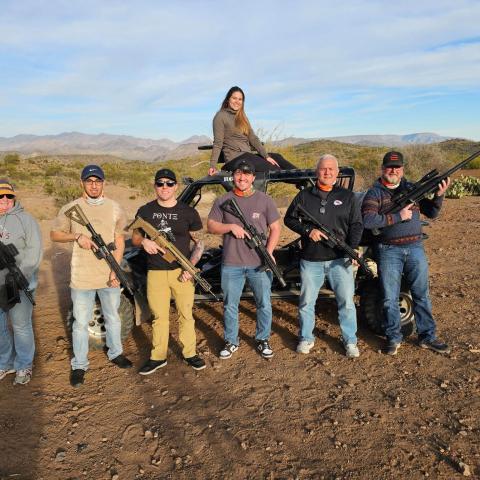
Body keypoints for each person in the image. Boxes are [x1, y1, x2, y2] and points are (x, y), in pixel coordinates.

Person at [361, 151, 451, 355]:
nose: (393, 170)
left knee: (421, 294)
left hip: (415, 248)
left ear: (402, 170)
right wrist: (398, 217)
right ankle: (393, 338)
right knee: (389, 297)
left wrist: (438, 196)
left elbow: (432, 212)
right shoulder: (374, 193)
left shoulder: (412, 189)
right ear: (383, 169)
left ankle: (427, 337)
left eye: (397, 167)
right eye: (389, 167)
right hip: (388, 250)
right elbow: (369, 220)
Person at [50, 165, 132, 387]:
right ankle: (79, 365)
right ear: (82, 183)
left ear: (104, 183)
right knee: (80, 323)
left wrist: (115, 270)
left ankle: (116, 353)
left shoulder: (115, 208)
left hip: (109, 276)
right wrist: (77, 236)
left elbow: (120, 239)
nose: (94, 185)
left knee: (113, 317)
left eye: (98, 181)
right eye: (89, 181)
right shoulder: (71, 208)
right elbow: (55, 234)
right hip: (82, 277)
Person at [284, 154, 363, 358]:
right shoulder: (304, 196)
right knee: (306, 303)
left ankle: (350, 341)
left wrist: (352, 249)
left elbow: (356, 225)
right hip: (311, 260)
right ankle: (306, 338)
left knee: (346, 302)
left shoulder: (348, 197)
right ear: (317, 171)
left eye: (331, 169)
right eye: (323, 168)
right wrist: (307, 231)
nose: (327, 172)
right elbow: (289, 219)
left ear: (337, 173)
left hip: (340, 259)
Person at [131, 168, 206, 374]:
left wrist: (190, 268)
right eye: (160, 183)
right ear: (155, 186)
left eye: (169, 183)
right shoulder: (145, 211)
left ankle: (190, 353)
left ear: (176, 186)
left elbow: (200, 242)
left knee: (186, 315)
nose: (165, 187)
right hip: (155, 272)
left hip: (181, 272)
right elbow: (135, 237)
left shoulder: (188, 212)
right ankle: (158, 357)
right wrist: (144, 241)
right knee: (159, 317)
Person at [207, 159, 281, 359]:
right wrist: (230, 227)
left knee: (264, 303)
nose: (242, 178)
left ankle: (262, 338)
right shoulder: (222, 200)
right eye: (239, 173)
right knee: (231, 304)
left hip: (259, 263)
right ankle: (231, 341)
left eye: (247, 174)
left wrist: (270, 252)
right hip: (232, 263)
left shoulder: (265, 200)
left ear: (253, 178)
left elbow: (275, 228)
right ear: (234, 176)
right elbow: (211, 226)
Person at [0, 180, 42, 385]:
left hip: (17, 284)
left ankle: (24, 365)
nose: (5, 200)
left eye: (9, 196)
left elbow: (34, 252)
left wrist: (20, 277)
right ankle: (4, 363)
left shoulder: (26, 219)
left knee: (21, 326)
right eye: (0, 196)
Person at [208, 86, 296, 175]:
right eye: (234, 98)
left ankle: (305, 179)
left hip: (247, 155)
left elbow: (253, 138)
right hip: (234, 158)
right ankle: (300, 179)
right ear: (228, 99)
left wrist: (266, 156)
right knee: (274, 169)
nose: (237, 102)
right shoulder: (220, 116)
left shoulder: (242, 117)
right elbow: (218, 143)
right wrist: (212, 165)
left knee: (277, 157)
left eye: (240, 99)